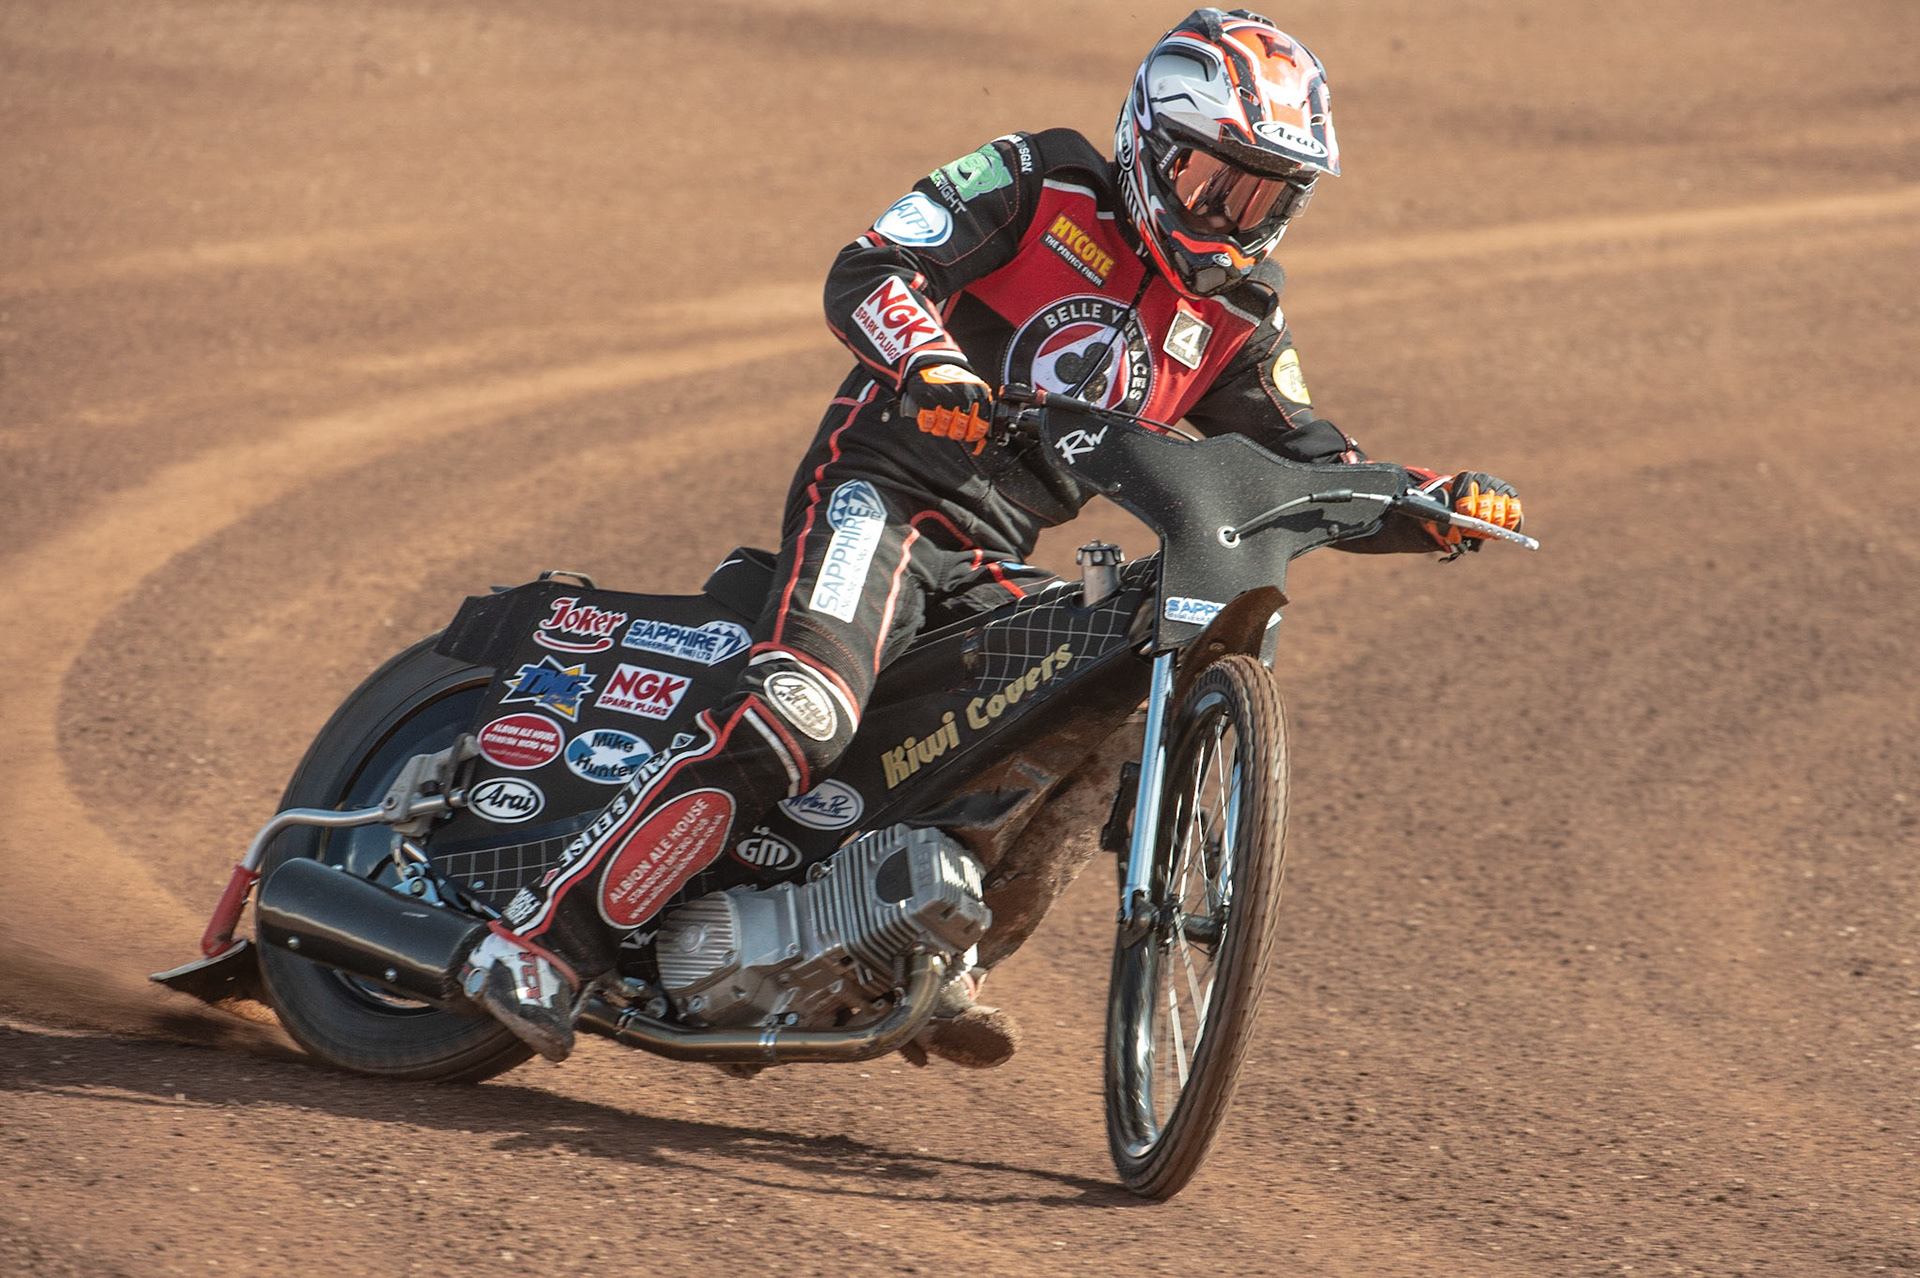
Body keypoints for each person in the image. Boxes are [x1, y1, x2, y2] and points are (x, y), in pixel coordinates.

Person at [460, 7, 1524, 1065]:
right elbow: (873, 266)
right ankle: (546, 937)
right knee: (805, 708)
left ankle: (931, 946)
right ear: (1151, 142)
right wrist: (929, 359)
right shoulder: (1039, 179)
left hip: (989, 556)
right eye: (1214, 179)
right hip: (881, 497)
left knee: (1095, 705)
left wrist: (1425, 502)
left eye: (1264, 194)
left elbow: (1306, 456)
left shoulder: (1239, 316)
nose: (1231, 214)